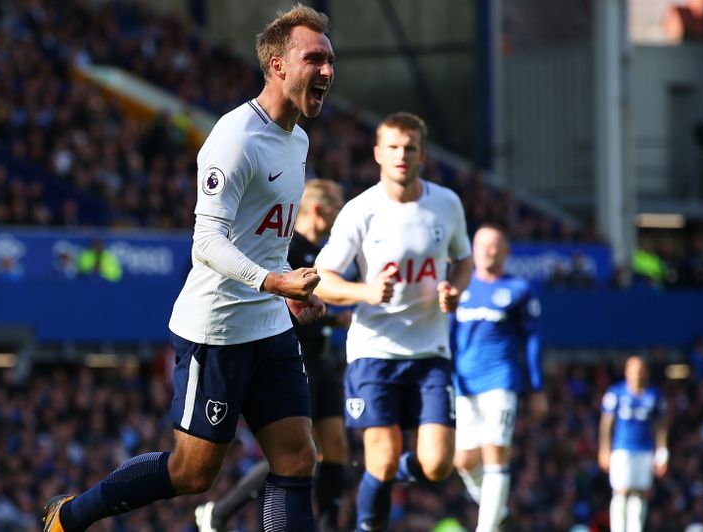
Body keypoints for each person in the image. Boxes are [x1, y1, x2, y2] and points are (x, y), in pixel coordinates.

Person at [40, 4, 335, 531]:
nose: (328, 71)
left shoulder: (297, 140)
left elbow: (265, 235)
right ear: (277, 66)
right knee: (192, 473)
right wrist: (274, 281)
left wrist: (286, 287)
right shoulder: (235, 137)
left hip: (269, 325)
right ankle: (70, 517)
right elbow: (206, 242)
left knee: (297, 458)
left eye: (331, 60)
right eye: (315, 58)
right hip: (217, 330)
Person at [314, 112, 473, 531]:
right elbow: (321, 281)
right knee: (381, 461)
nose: (402, 155)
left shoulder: (446, 204)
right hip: (374, 352)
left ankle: (380, 472)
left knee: (438, 465)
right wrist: (365, 292)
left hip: (430, 352)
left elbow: (464, 260)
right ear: (378, 154)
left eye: (411, 148)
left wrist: (454, 289)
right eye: (394, 148)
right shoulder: (360, 211)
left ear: (422, 154)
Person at [195, 179, 351, 532]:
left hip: (322, 359)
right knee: (299, 449)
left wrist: (335, 316)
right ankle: (219, 512)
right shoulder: (289, 247)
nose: (339, 218)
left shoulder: (316, 250)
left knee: (336, 446)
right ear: (316, 209)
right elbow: (281, 298)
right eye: (336, 210)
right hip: (297, 356)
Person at [449, 224, 546, 532]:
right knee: (463, 461)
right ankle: (499, 512)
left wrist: (537, 386)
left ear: (506, 251)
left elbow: (532, 341)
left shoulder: (519, 289)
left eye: (494, 246)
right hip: (464, 383)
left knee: (494, 454)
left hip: (501, 381)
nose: (488, 251)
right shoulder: (460, 286)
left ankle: (488, 527)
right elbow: (449, 337)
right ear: (473, 250)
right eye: (482, 246)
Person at [598, 356, 669, 532]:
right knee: (621, 491)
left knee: (641, 493)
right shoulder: (616, 393)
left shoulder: (654, 395)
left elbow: (661, 425)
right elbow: (606, 423)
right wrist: (604, 450)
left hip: (645, 450)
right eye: (633, 371)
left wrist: (662, 451)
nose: (637, 375)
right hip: (622, 449)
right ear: (626, 372)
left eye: (640, 371)